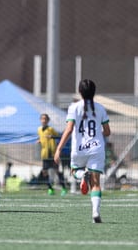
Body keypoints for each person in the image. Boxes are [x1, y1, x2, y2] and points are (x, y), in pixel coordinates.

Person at [54, 79, 111, 223]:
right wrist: (97, 134)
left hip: (79, 149)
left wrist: (59, 148)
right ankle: (95, 213)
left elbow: (69, 129)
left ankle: (81, 174)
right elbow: (107, 132)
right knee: (96, 183)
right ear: (94, 92)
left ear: (80, 92)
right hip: (96, 148)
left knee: (74, 171)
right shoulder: (100, 108)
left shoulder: (74, 107)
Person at [37, 113, 67, 196]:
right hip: (44, 154)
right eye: (42, 119)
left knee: (57, 171)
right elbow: (42, 138)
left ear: (48, 120)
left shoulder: (51, 129)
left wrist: (52, 137)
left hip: (52, 154)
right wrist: (40, 141)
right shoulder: (39, 129)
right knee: (44, 172)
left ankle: (64, 188)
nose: (44, 120)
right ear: (40, 120)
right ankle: (50, 189)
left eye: (45, 119)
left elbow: (59, 137)